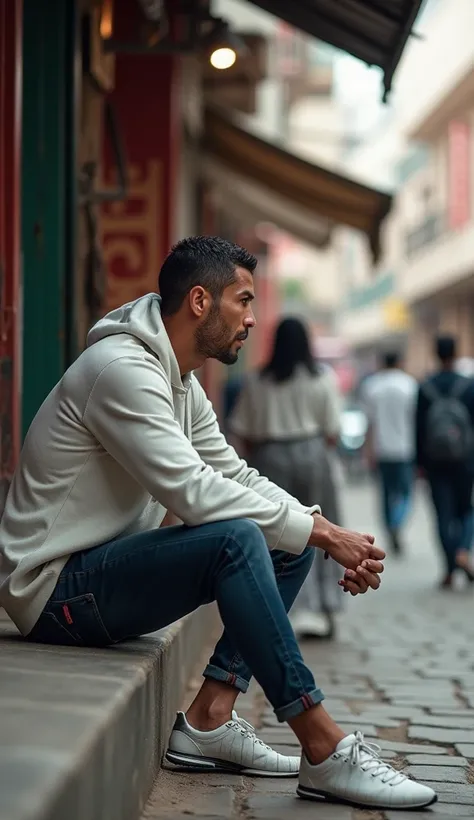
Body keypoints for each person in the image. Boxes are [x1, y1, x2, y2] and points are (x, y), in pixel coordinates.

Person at [0, 236, 436, 810]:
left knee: (288, 538)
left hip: (100, 576)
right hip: (53, 591)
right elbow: (195, 492)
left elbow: (234, 474)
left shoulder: (180, 381)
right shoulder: (121, 371)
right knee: (238, 536)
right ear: (201, 302)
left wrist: (321, 530)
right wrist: (325, 533)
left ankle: (209, 718)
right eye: (244, 301)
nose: (253, 319)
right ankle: (323, 746)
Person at [229, 317, 343, 640]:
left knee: (278, 532)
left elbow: (243, 432)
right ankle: (324, 606)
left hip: (270, 457)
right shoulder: (322, 378)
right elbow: (333, 432)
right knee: (322, 528)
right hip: (313, 454)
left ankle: (280, 608)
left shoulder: (257, 381)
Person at [416, 335, 474, 588]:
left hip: (435, 462)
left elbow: (417, 429)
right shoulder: (468, 386)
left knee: (442, 514)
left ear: (436, 354)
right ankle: (462, 549)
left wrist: (419, 462)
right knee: (466, 510)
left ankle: (449, 569)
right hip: (465, 460)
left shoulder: (426, 387)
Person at [361, 352, 417, 555]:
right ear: (400, 362)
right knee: (405, 492)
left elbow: (369, 423)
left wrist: (367, 451)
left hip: (381, 449)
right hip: (405, 449)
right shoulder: (410, 385)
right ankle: (397, 521)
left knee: (385, 493)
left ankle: (390, 526)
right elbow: (415, 420)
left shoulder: (373, 386)